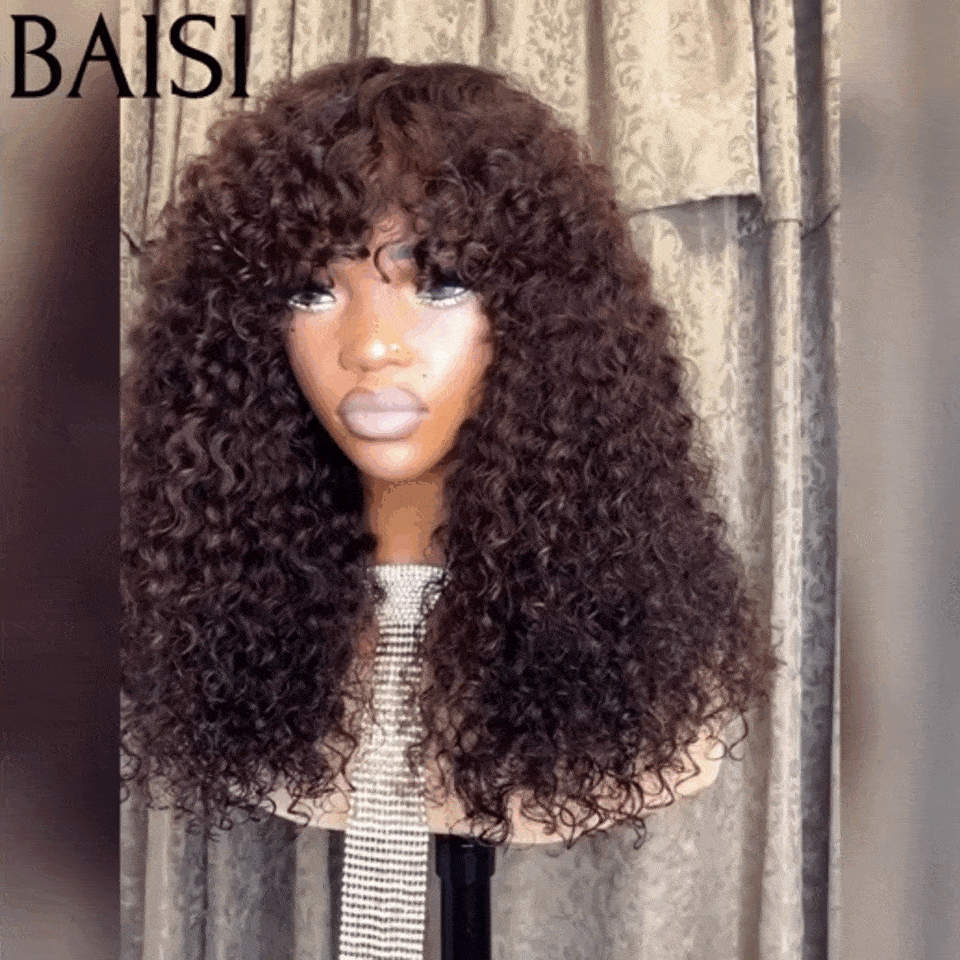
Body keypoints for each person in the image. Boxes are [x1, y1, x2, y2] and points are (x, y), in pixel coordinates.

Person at [121, 58, 774, 853]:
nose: (371, 346)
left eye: (438, 285)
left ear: (539, 317)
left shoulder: (635, 647)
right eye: (312, 293)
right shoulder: (219, 627)